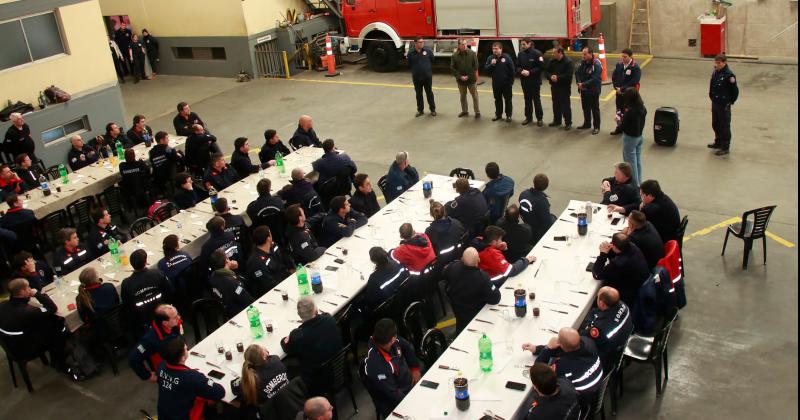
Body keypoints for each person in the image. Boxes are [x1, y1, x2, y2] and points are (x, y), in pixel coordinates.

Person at [0, 278, 66, 372]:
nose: (30, 289)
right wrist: (37, 294)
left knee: (49, 323)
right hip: (26, 346)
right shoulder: (27, 311)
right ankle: (58, 362)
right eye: (28, 287)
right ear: (22, 292)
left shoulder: (3, 305)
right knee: (58, 327)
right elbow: (52, 308)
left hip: (10, 344)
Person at [280, 297, 343, 392]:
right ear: (316, 310)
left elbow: (285, 346)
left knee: (288, 365)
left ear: (299, 315)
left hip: (319, 379)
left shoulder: (298, 336)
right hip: (339, 366)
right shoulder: (328, 319)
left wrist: (289, 337)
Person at [362, 318, 421, 417]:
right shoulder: (377, 366)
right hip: (393, 401)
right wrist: (412, 402)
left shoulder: (392, 340)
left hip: (408, 385)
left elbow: (406, 347)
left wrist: (415, 369)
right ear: (392, 339)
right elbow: (392, 393)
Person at [523, 327, 604, 399]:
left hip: (581, 400)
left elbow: (538, 372)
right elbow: (563, 350)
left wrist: (547, 348)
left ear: (561, 345)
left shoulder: (563, 366)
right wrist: (536, 349)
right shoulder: (588, 342)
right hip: (596, 385)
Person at [156, 337, 225, 419]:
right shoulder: (191, 377)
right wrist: (203, 379)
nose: (187, 349)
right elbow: (220, 392)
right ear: (182, 358)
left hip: (164, 414)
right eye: (186, 349)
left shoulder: (162, 366)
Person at [444, 247, 501, 334]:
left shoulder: (453, 268)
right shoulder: (482, 277)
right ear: (478, 260)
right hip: (477, 319)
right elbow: (496, 298)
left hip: (460, 316)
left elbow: (444, 272)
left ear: (462, 259)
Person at [121, 249, 174, 334]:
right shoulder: (158, 273)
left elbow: (127, 306)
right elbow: (170, 292)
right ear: (145, 262)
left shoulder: (126, 284)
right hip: (162, 314)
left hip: (142, 320)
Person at [580, 286, 633, 371]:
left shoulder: (600, 328)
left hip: (604, 357)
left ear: (602, 304)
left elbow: (583, 336)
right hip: (621, 339)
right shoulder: (622, 305)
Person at [591, 233, 650, 307]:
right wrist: (608, 250)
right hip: (639, 284)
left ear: (615, 246)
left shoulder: (619, 263)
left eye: (612, 243)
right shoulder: (631, 246)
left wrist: (603, 254)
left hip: (628, 293)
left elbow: (597, 274)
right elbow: (617, 253)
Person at [128, 303, 184, 381]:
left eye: (177, 314)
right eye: (175, 317)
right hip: (169, 373)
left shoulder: (173, 323)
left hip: (181, 361)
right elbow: (133, 359)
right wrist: (148, 376)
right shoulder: (150, 339)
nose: (179, 317)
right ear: (165, 323)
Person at [232, 344, 290, 412]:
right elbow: (271, 356)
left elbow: (234, 386)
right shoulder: (275, 360)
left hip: (272, 411)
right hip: (289, 400)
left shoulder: (252, 378)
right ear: (264, 356)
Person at [356, 247, 409, 314]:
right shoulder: (397, 263)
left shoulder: (374, 278)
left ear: (373, 261)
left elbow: (370, 299)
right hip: (402, 295)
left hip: (387, 304)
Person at [244, 226, 291, 296]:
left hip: (285, 282)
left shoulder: (273, 246)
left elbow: (285, 262)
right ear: (268, 238)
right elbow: (268, 285)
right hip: (272, 294)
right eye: (270, 233)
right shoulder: (255, 262)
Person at [208, 249, 253, 318]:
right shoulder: (231, 281)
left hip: (228, 313)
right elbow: (247, 299)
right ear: (226, 260)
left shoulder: (213, 277)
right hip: (241, 313)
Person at [709, 54, 739, 155]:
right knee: (715, 123)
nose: (717, 65)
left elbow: (735, 91)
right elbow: (712, 85)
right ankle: (718, 142)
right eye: (716, 62)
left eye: (719, 63)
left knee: (724, 126)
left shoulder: (729, 75)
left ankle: (725, 147)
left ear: (724, 62)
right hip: (715, 102)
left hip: (723, 104)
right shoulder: (715, 72)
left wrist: (730, 101)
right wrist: (711, 97)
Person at [618, 87, 647, 186]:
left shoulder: (630, 111)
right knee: (637, 161)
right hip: (639, 137)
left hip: (630, 138)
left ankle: (634, 185)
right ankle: (639, 181)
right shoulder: (642, 107)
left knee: (630, 163)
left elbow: (623, 125)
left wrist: (618, 120)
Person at [610, 49, 641, 135]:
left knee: (628, 112)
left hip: (628, 95)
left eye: (625, 56)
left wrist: (622, 89)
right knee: (619, 111)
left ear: (630, 57)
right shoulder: (619, 65)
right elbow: (614, 76)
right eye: (622, 56)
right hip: (619, 94)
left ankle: (628, 130)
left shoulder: (635, 68)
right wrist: (616, 88)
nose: (623, 58)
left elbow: (634, 81)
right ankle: (619, 127)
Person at [519, 173, 555, 246]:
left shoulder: (523, 194)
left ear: (534, 182)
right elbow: (546, 223)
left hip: (527, 221)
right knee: (553, 218)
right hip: (537, 231)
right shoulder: (542, 201)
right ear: (546, 186)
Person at [517, 38, 545, 126]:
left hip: (534, 81)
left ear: (529, 44)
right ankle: (528, 117)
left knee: (536, 100)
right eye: (521, 44)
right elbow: (517, 66)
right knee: (527, 100)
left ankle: (539, 119)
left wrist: (530, 72)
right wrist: (521, 71)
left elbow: (541, 67)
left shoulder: (537, 54)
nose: (522, 46)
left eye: (524, 44)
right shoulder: (520, 54)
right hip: (525, 82)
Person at [575, 46, 603, 134]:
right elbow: (577, 73)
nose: (583, 56)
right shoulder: (583, 62)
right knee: (585, 108)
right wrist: (579, 83)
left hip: (593, 90)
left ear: (591, 54)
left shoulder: (596, 64)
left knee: (595, 109)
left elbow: (595, 78)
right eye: (582, 54)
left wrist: (583, 84)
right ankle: (587, 123)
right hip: (583, 90)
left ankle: (596, 127)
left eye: (585, 54)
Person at [485, 42, 515, 122]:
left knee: (508, 100)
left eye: (496, 49)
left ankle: (508, 115)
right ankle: (498, 115)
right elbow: (486, 70)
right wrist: (492, 64)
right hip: (496, 84)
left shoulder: (507, 57)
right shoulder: (490, 58)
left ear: (501, 49)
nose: (494, 50)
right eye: (493, 49)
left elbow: (512, 71)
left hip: (506, 84)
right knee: (497, 99)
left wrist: (511, 82)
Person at [450, 38, 480, 118]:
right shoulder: (454, 56)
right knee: (462, 96)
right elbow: (453, 68)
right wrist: (460, 77)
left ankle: (477, 112)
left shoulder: (472, 54)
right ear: (459, 46)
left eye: (466, 44)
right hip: (461, 81)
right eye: (463, 44)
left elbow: (476, 66)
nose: (465, 45)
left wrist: (468, 76)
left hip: (471, 80)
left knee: (475, 96)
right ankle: (464, 111)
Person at [545, 47, 574, 130]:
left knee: (565, 106)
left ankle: (568, 123)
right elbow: (547, 71)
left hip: (564, 87)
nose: (553, 55)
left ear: (560, 53)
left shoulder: (568, 62)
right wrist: (551, 77)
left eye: (555, 53)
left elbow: (568, 76)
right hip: (554, 87)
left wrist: (558, 78)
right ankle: (557, 120)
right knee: (556, 104)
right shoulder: (552, 61)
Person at [407, 36, 436, 117]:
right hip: (417, 78)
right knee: (419, 94)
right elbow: (409, 63)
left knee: (429, 93)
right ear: (415, 43)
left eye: (423, 42)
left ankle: (432, 109)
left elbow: (432, 60)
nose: (422, 43)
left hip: (427, 77)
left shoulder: (428, 51)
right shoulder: (411, 53)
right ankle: (420, 110)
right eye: (420, 42)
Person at [149, 131, 184, 197]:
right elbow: (180, 159)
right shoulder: (168, 149)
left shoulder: (151, 151)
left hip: (158, 176)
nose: (168, 140)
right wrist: (179, 154)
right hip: (169, 174)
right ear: (162, 140)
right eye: (167, 138)